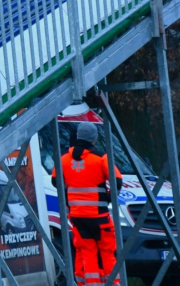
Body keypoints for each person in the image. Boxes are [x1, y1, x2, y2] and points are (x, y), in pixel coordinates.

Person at [52, 122, 123, 286]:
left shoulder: (64, 159)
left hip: (77, 216)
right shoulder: (101, 158)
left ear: (78, 136)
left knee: (87, 252)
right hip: (99, 215)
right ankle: (113, 283)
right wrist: (108, 197)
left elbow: (55, 181)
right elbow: (117, 181)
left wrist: (69, 194)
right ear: (94, 139)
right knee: (107, 251)